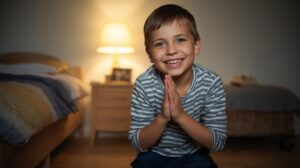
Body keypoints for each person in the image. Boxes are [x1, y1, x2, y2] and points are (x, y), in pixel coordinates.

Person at [128, 4, 227, 168]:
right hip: (154, 154)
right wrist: (163, 118)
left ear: (196, 45)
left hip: (194, 154)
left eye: (180, 40)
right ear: (150, 54)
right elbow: (139, 143)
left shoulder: (211, 83)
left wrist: (180, 115)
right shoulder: (144, 84)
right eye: (160, 44)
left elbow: (217, 143)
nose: (171, 50)